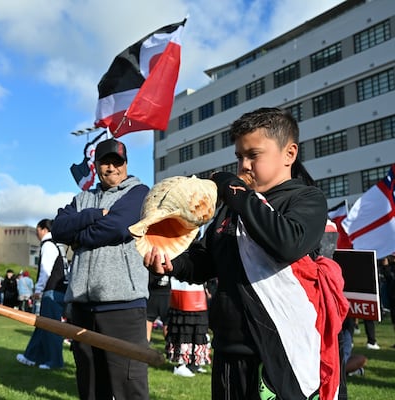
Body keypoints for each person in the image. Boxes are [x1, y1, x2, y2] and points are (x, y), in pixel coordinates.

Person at [144, 108, 348, 400]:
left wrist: (237, 193)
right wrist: (168, 262)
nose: (243, 165)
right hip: (229, 349)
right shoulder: (232, 207)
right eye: (239, 156)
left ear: (289, 154)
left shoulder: (305, 198)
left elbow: (287, 242)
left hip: (281, 354)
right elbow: (204, 263)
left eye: (253, 155)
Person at [51, 138, 150, 400]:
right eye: (105, 162)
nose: (111, 168)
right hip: (82, 307)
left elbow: (118, 227)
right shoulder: (83, 198)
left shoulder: (139, 193)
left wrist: (78, 236)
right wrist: (94, 215)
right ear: (96, 166)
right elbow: (58, 228)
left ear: (126, 164)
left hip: (123, 306)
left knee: (130, 388)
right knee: (91, 387)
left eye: (117, 162)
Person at [17, 218, 68, 369]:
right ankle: (31, 356)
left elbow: (46, 269)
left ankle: (55, 362)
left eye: (37, 230)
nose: (37, 233)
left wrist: (38, 289)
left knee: (51, 328)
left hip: (51, 290)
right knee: (43, 325)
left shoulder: (48, 244)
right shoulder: (58, 245)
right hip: (59, 290)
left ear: (44, 229)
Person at [165, 278, 211, 377]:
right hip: (183, 292)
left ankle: (194, 363)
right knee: (183, 328)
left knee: (199, 329)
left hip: (198, 294)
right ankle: (181, 364)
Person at [146, 271, 170, 343]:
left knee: (167, 323)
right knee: (148, 321)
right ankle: (170, 350)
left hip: (162, 295)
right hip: (154, 295)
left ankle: (169, 349)